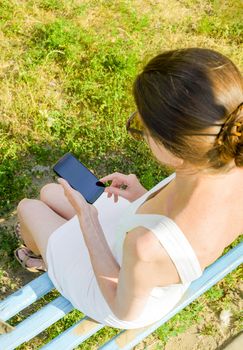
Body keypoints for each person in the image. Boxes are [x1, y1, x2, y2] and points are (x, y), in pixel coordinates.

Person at [15, 48, 243, 329]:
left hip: (115, 291)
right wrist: (144, 196)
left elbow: (124, 309)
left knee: (29, 208)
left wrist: (88, 222)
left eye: (143, 128)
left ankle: (39, 259)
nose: (143, 135)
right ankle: (48, 249)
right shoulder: (223, 162)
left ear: (176, 149)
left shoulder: (146, 245)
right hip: (140, 257)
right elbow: (189, 226)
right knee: (50, 194)